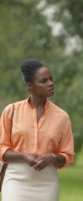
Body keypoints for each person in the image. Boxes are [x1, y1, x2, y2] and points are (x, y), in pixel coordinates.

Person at [0, 59, 74, 201]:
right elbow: (2, 148)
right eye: (44, 81)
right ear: (30, 85)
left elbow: (67, 156)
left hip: (47, 182)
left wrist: (51, 157)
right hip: (16, 179)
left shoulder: (62, 117)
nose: (50, 83)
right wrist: (23, 156)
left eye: (51, 79)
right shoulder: (12, 111)